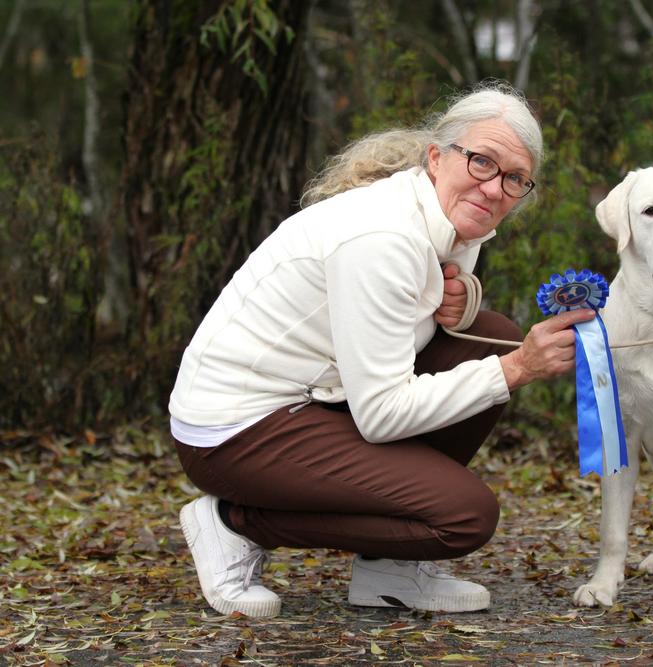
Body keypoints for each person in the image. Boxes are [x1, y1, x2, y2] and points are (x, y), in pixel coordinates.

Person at [169, 81, 595, 618]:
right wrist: (516, 369)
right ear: (436, 157)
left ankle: (388, 569)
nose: (494, 189)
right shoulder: (382, 237)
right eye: (482, 162)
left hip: (321, 396)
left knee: (491, 334)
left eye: (515, 178)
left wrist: (461, 303)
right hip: (234, 429)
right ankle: (233, 524)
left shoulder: (448, 219)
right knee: (464, 516)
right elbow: (383, 413)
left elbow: (401, 321)